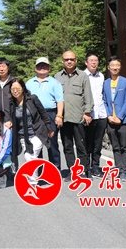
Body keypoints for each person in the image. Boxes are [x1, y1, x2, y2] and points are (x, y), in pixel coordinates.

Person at [55, 51, 93, 179]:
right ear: (63, 61)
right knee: (67, 147)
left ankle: (83, 170)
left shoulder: (83, 76)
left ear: (76, 60)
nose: (69, 61)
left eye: (71, 59)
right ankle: (73, 171)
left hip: (79, 117)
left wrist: (87, 112)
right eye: (66, 59)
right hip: (64, 118)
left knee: (81, 146)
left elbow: (88, 96)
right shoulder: (57, 77)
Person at [25, 57, 64, 172]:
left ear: (49, 68)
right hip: (34, 115)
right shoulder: (29, 83)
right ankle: (38, 171)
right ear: (35, 68)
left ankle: (54, 171)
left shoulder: (55, 82)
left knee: (52, 143)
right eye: (39, 66)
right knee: (36, 144)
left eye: (44, 65)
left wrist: (59, 115)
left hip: (50, 113)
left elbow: (60, 100)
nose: (42, 68)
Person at [9, 78, 54, 170]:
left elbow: (43, 113)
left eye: (18, 88)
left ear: (23, 88)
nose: (15, 91)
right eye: (13, 89)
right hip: (23, 136)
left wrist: (49, 128)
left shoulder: (32, 99)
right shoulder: (11, 103)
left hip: (37, 133)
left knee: (29, 156)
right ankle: (34, 177)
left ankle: (32, 178)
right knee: (32, 158)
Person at [102, 56, 126, 179]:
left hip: (124, 120)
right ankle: (118, 167)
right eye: (112, 65)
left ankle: (124, 170)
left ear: (120, 67)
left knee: (125, 146)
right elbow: (104, 100)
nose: (115, 68)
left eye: (117, 65)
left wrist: (120, 116)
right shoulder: (106, 83)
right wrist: (109, 115)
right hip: (110, 120)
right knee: (115, 147)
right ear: (108, 67)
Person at [83, 53, 108, 178]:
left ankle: (96, 166)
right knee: (88, 142)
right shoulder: (82, 76)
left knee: (98, 143)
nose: (94, 63)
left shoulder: (101, 76)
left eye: (96, 60)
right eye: (91, 60)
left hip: (101, 114)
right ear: (86, 62)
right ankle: (86, 167)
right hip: (89, 115)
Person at [0, 57, 14, 123]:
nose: (1, 69)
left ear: (8, 67)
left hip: (12, 119)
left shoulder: (14, 82)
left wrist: (12, 120)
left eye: (3, 66)